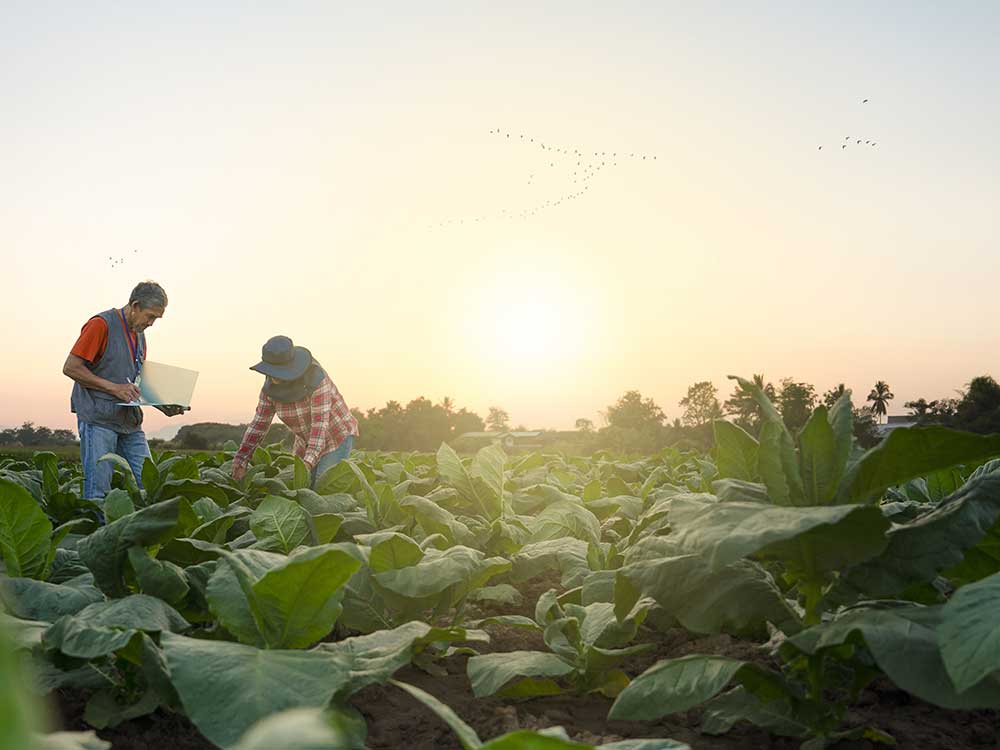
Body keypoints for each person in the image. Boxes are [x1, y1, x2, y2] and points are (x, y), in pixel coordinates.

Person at [63, 281, 186, 501]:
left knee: (150, 484)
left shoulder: (139, 334)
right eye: (150, 316)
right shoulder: (101, 324)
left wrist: (162, 403)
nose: (151, 323)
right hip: (99, 419)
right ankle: (94, 533)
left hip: (129, 422)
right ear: (135, 305)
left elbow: (133, 382)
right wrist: (114, 388)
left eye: (156, 319)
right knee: (98, 491)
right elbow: (71, 367)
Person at [231, 335, 358, 488]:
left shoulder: (316, 380)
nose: (273, 377)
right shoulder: (269, 390)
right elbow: (258, 425)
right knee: (302, 489)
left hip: (335, 435)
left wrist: (307, 463)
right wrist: (241, 459)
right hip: (305, 441)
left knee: (322, 489)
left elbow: (319, 426)